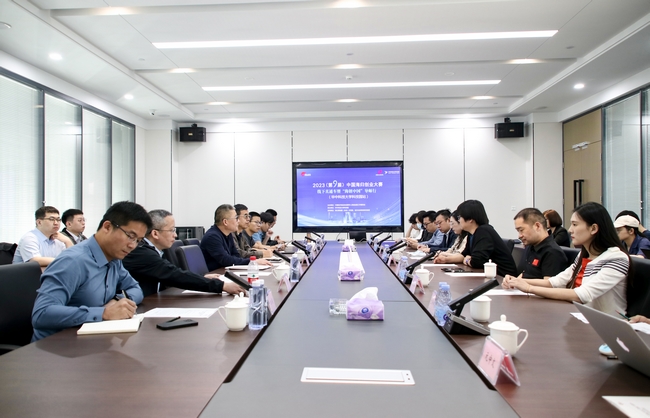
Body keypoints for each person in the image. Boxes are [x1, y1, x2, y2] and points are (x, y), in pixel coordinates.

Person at [31, 201, 151, 341]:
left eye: (138, 240)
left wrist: (117, 301)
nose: (132, 245)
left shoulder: (114, 258)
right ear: (107, 227)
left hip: (93, 341)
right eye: (130, 236)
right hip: (57, 346)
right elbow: (41, 314)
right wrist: (103, 313)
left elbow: (135, 289)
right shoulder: (74, 261)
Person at [503, 202, 630, 316]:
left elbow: (583, 295)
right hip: (579, 316)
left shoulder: (617, 258)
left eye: (575, 224)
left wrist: (529, 288)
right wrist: (517, 281)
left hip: (603, 324)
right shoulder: (583, 255)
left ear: (593, 228)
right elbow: (554, 282)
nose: (570, 230)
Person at [123, 209, 245, 297]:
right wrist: (222, 286)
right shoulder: (142, 253)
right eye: (172, 230)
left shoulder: (155, 251)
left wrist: (201, 277)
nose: (175, 235)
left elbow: (173, 273)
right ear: (155, 234)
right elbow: (174, 275)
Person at [200, 204, 272, 271]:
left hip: (226, 271)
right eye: (236, 218)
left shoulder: (228, 234)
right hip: (215, 274)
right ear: (225, 222)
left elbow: (236, 255)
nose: (238, 221)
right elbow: (226, 260)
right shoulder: (212, 237)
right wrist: (252, 261)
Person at [457, 200, 517, 277]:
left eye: (460, 217)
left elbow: (476, 262)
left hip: (503, 277)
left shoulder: (484, 231)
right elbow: (465, 255)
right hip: (490, 275)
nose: (459, 220)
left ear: (470, 219)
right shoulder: (471, 234)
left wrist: (467, 260)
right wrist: (446, 259)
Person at [505, 208, 568, 280]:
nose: (519, 236)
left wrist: (520, 282)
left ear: (537, 226)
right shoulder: (531, 247)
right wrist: (513, 281)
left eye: (521, 230)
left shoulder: (553, 253)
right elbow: (526, 274)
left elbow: (548, 284)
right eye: (518, 231)